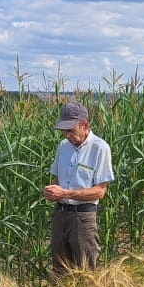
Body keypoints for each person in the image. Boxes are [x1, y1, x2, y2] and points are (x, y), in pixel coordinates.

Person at [42, 101, 115, 272]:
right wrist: (52, 191)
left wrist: (66, 193)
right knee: (60, 269)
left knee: (85, 270)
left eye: (71, 130)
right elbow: (56, 180)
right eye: (64, 131)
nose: (67, 135)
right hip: (60, 214)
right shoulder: (63, 146)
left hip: (82, 217)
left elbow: (100, 191)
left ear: (85, 125)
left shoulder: (100, 148)